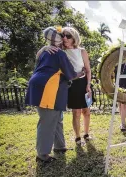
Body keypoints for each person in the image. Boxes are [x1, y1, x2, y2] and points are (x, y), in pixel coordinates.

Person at [25, 26, 80, 163]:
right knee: (47, 121)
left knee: (57, 118)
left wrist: (43, 48)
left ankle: (60, 146)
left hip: (43, 85)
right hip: (47, 88)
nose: (65, 38)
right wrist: (80, 73)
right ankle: (42, 155)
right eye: (63, 36)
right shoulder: (59, 53)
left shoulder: (46, 51)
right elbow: (71, 74)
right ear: (59, 39)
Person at [36, 27, 93, 144]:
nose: (65, 38)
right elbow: (38, 56)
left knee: (86, 111)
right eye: (63, 36)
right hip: (71, 84)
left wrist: (88, 84)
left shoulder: (82, 51)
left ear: (74, 38)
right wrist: (45, 47)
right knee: (76, 112)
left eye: (68, 36)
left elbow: (87, 70)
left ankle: (86, 134)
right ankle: (77, 137)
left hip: (83, 83)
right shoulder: (59, 50)